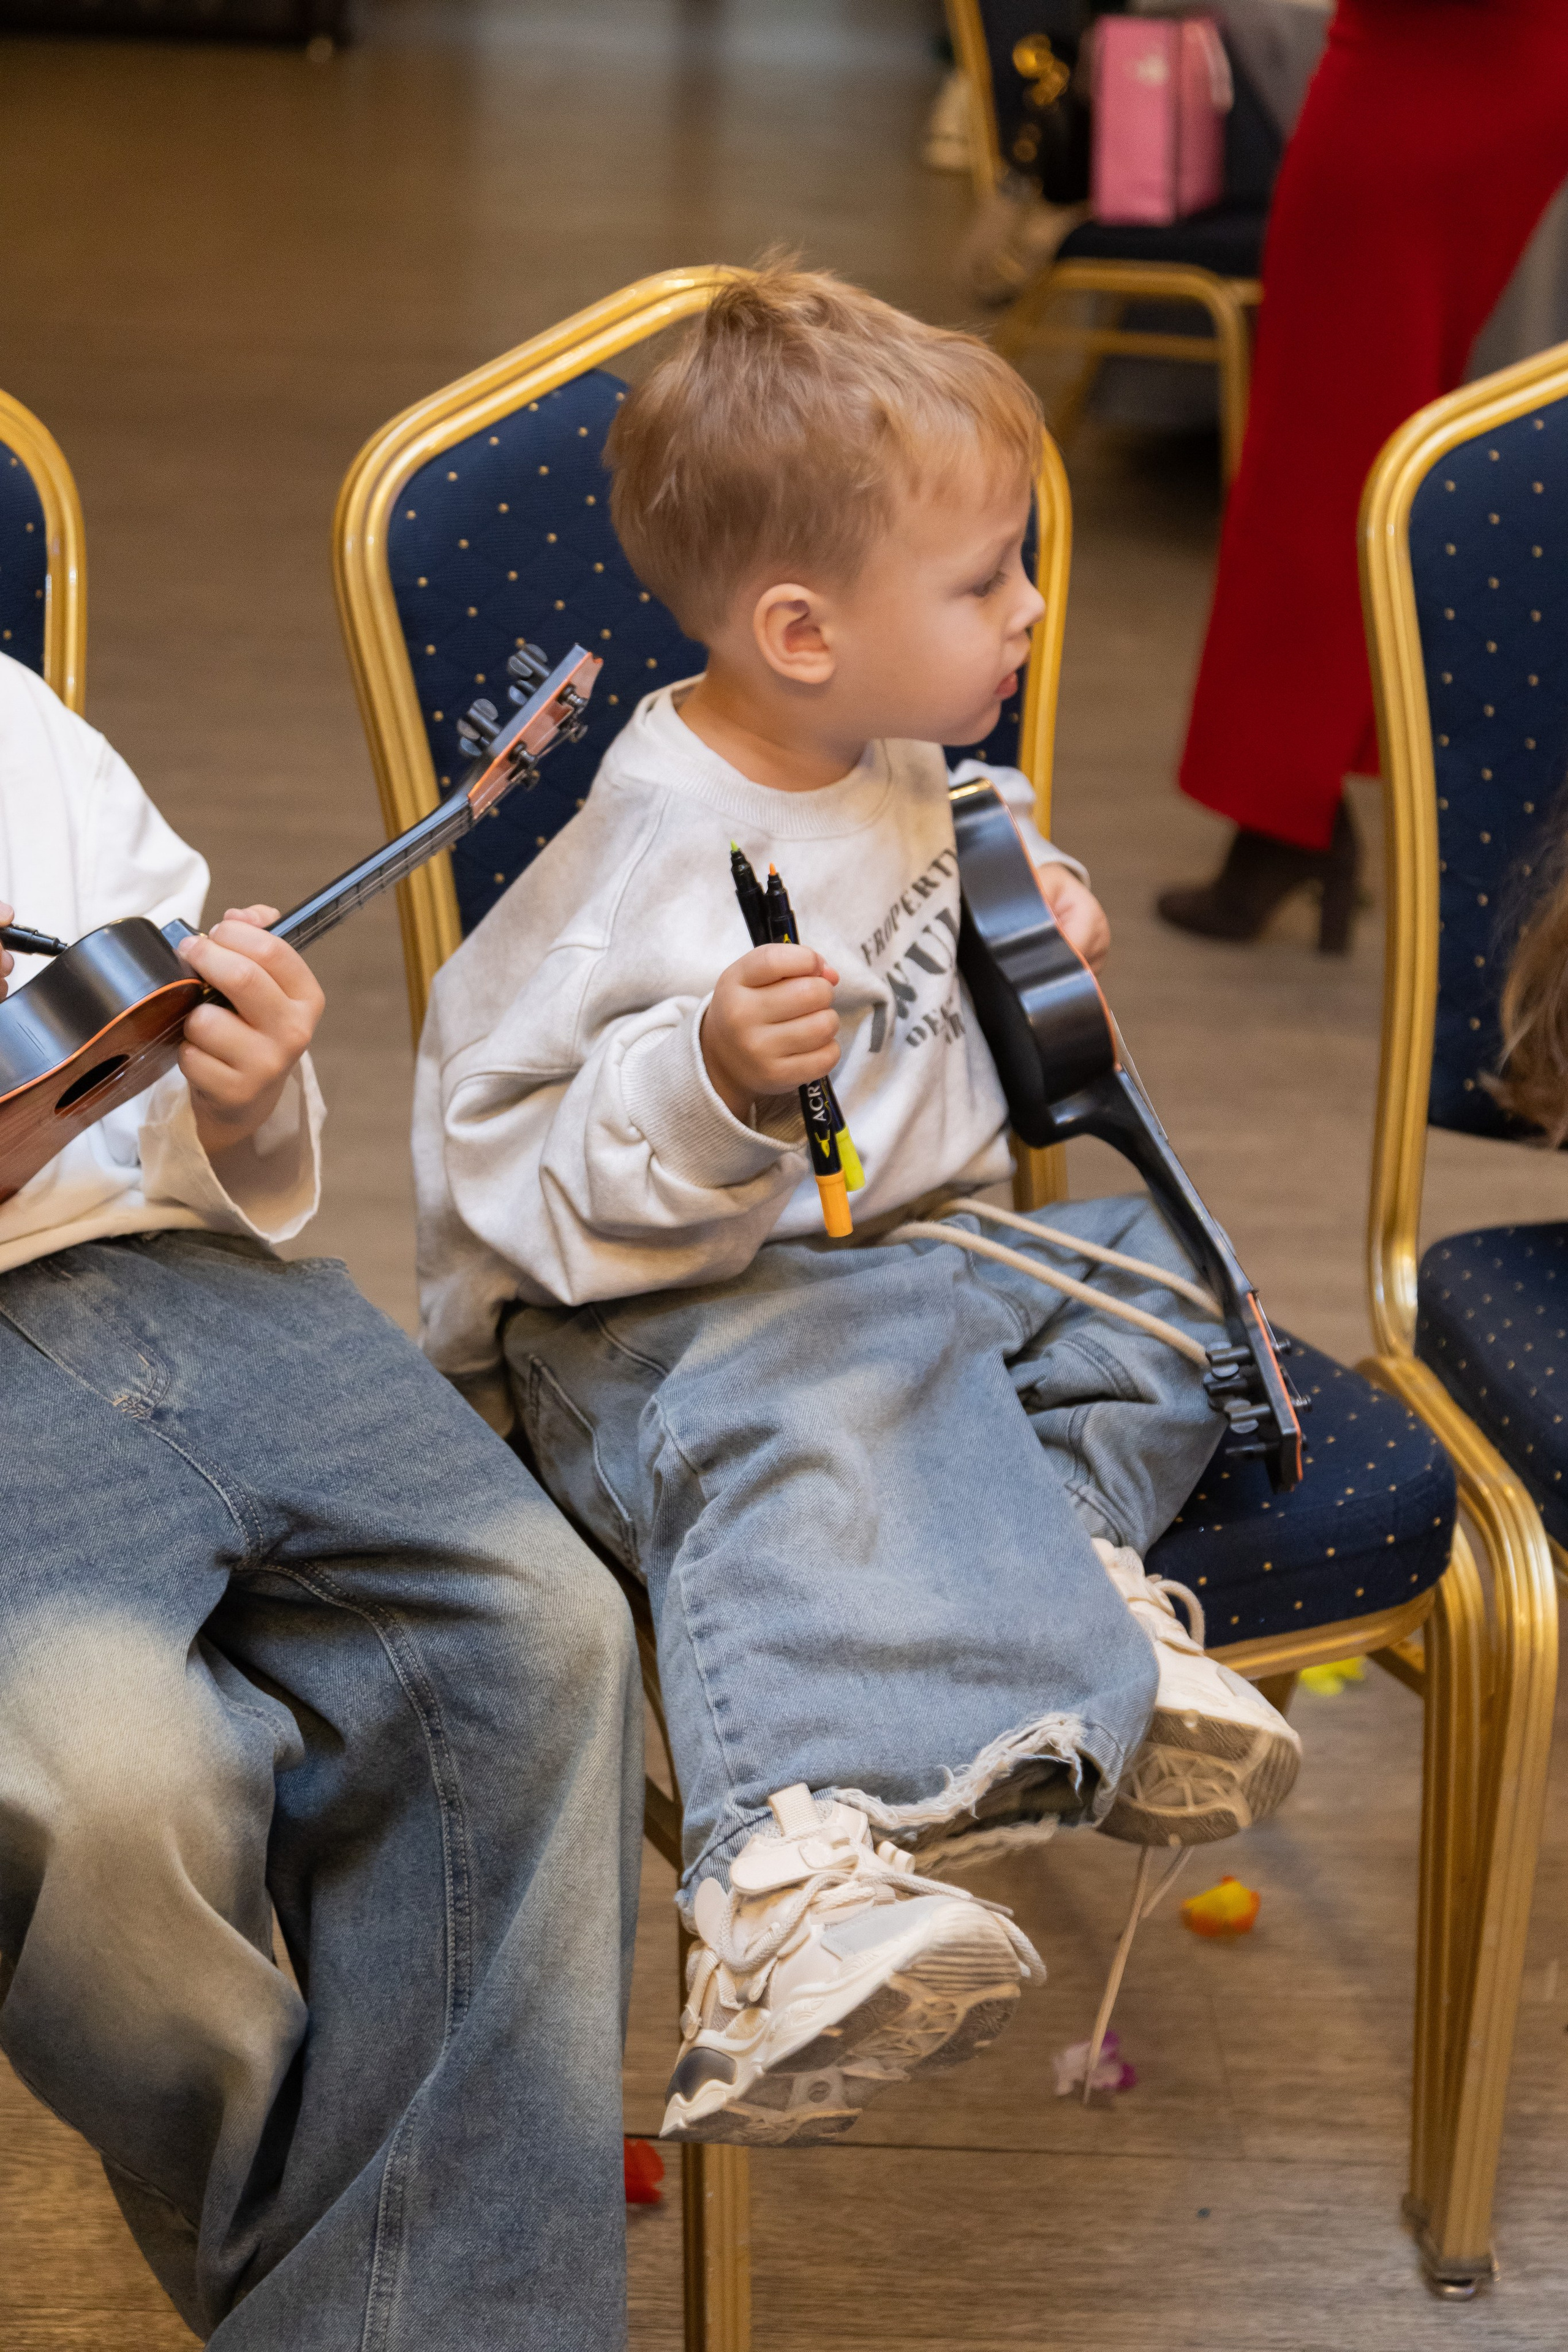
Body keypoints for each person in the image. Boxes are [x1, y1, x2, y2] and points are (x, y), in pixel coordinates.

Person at [413, 266, 1300, 2152]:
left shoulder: (893, 751)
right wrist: (709, 1084)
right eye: (988, 582)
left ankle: (1065, 1593)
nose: (1034, 608)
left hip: (911, 1268)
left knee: (1170, 1306)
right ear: (805, 631)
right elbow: (495, 1158)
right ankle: (778, 1888)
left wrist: (1036, 898)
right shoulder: (644, 860)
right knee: (840, 1369)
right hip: (657, 1337)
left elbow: (962, 848)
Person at [0, 654, 641, 2350]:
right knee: (120, 1781)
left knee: (546, 1635)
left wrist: (247, 1088)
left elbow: (159, 1080)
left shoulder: (21, 725)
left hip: (167, 1266)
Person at [1159, 0, 1568, 951]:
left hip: (1431, 63)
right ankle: (1292, 811)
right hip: (1477, 65)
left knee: (1320, 458)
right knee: (1352, 442)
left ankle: (1283, 821)